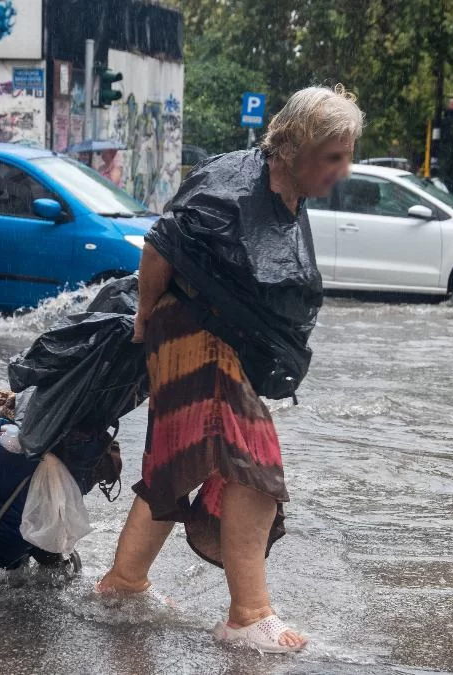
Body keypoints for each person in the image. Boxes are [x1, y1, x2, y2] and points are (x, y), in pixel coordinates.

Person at [96, 85, 365, 653]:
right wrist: (145, 320)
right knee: (253, 461)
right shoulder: (230, 186)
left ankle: (123, 583)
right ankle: (248, 614)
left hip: (218, 341)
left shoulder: (291, 195)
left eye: (347, 155)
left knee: (178, 458)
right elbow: (157, 248)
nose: (344, 168)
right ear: (291, 146)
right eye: (333, 156)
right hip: (188, 330)